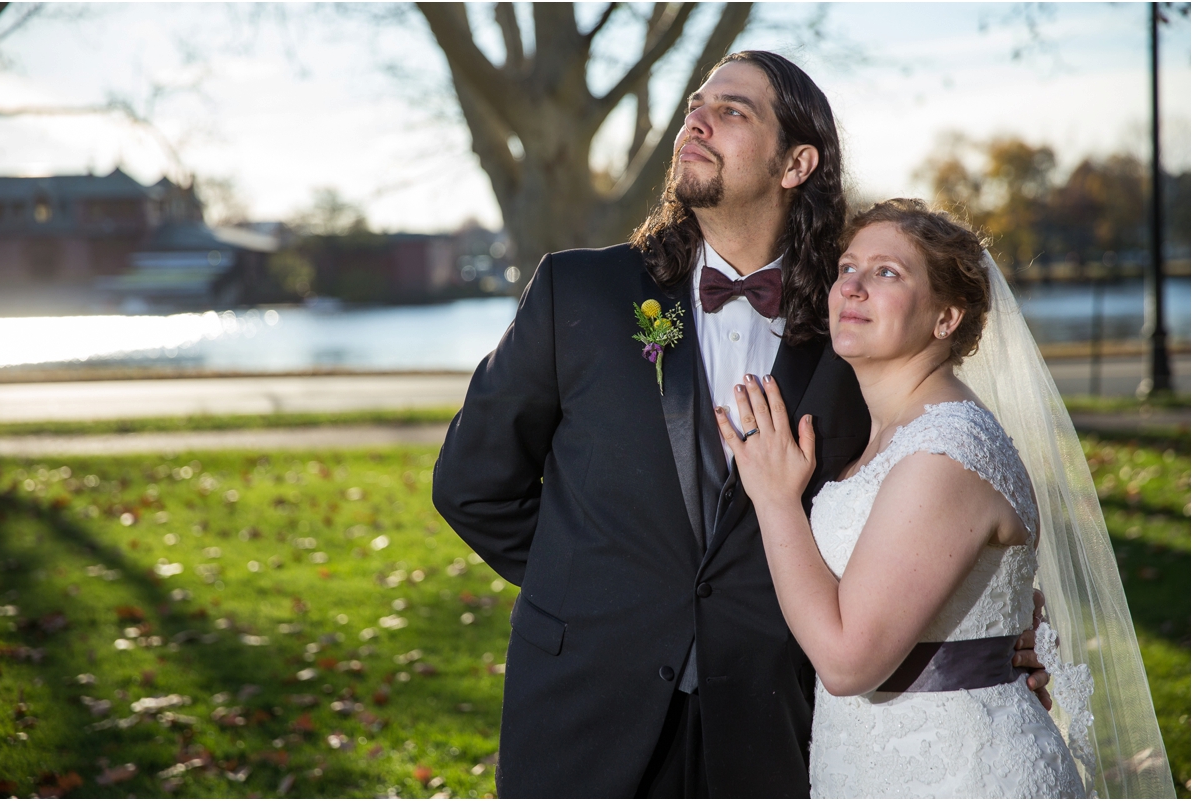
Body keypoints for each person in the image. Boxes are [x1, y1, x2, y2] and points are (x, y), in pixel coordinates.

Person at [432, 52, 1049, 798]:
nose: (697, 119)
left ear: (796, 163)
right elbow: (473, 484)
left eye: (732, 110)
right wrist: (593, 590)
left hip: (770, 728)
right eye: (696, 104)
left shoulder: (852, 335)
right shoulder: (580, 292)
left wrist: (986, 634)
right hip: (581, 714)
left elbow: (923, 499)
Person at [720, 199, 1174, 798]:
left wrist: (776, 499)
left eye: (887, 272)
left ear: (945, 318)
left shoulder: (946, 452)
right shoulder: (889, 432)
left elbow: (848, 661)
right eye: (848, 267)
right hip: (867, 762)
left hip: (959, 771)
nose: (852, 286)